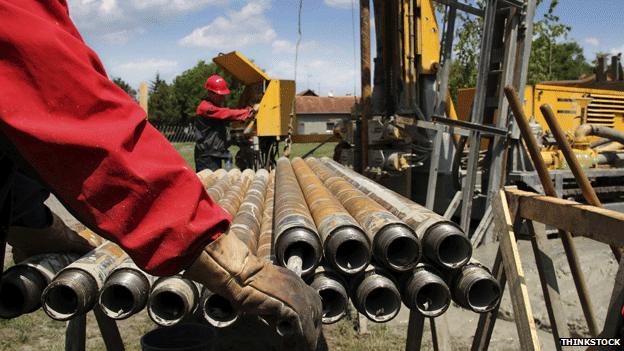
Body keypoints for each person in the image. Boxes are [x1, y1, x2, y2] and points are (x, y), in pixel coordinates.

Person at [0, 2, 320, 350]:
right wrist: (235, 266)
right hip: (206, 155)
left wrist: (29, 219)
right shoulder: (205, 105)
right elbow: (62, 101)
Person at [195, 75, 253, 171]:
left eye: (223, 95)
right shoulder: (205, 108)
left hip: (215, 152)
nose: (222, 98)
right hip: (206, 156)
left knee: (227, 162)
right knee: (209, 183)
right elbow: (226, 113)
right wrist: (246, 112)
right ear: (211, 93)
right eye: (220, 95)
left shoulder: (213, 106)